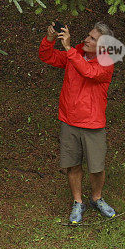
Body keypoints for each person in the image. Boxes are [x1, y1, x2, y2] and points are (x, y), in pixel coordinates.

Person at [38, 21, 116, 224]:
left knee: (96, 167)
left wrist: (69, 49)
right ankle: (77, 202)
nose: (86, 39)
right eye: (88, 35)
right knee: (72, 166)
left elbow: (89, 72)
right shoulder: (77, 54)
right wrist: (49, 39)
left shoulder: (106, 61)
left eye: (92, 38)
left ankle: (96, 198)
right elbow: (46, 56)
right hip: (69, 121)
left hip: (93, 123)